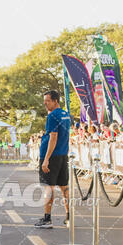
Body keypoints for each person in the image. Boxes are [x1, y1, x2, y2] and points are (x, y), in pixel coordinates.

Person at [34, 90, 71, 228]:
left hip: (52, 156)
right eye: (44, 101)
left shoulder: (53, 116)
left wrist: (46, 159)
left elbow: (53, 137)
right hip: (62, 155)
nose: (45, 103)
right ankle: (68, 217)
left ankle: (47, 219)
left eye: (48, 101)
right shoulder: (66, 114)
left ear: (56, 101)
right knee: (64, 187)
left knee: (48, 188)